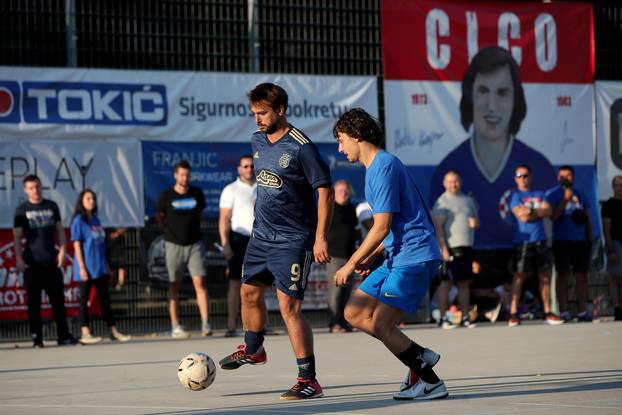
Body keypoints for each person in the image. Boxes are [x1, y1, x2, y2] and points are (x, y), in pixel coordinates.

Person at [218, 83, 333, 400]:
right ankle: (253, 349)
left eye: (263, 113)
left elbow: (325, 190)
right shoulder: (256, 140)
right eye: (253, 113)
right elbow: (268, 185)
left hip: (293, 240)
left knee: (288, 306)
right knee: (249, 292)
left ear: (280, 110)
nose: (257, 119)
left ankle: (308, 379)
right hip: (261, 237)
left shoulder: (301, 147)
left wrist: (320, 236)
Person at [333, 108, 448, 401]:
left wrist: (352, 262)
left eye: (342, 140)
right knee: (354, 312)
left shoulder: (383, 166)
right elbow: (395, 223)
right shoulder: (375, 169)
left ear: (357, 137)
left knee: (382, 323)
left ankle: (431, 381)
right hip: (396, 254)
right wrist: (374, 255)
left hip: (414, 256)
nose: (340, 147)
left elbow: (381, 226)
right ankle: (417, 356)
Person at [429, 46, 556, 293]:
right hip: (465, 252)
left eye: (502, 93)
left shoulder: (540, 166)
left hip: (522, 248)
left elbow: (549, 213)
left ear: (516, 99)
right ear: (469, 97)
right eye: (483, 91)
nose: (491, 106)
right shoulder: (446, 170)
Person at [13, 175, 77, 347]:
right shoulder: (21, 210)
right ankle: (37, 338)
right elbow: (17, 237)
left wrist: (63, 251)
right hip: (32, 264)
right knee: (34, 304)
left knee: (58, 302)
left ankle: (63, 336)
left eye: (37, 186)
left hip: (51, 263)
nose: (35, 190)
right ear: (25, 190)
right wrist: (19, 259)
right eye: (31, 188)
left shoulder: (51, 206)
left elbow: (60, 230)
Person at [156, 160, 211, 338]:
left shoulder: (197, 194)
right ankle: (175, 326)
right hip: (173, 245)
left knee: (200, 283)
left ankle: (205, 324)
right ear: (175, 175)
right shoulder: (166, 196)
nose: (184, 177)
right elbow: (160, 217)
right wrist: (168, 234)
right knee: (174, 285)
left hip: (195, 244)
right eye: (181, 174)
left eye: (187, 174)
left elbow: (200, 215)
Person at [70, 190, 131, 344]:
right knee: (84, 300)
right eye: (88, 198)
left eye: (93, 198)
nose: (91, 201)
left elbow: (101, 244)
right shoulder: (78, 221)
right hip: (86, 268)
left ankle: (113, 331)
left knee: (105, 300)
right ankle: (85, 332)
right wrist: (82, 267)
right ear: (81, 201)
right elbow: (77, 245)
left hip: (99, 268)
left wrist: (107, 266)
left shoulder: (96, 220)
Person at [508, 165, 563, 327]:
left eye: (525, 175)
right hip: (523, 242)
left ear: (530, 177)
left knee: (544, 276)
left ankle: (547, 311)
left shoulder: (540, 194)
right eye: (519, 176)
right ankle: (513, 313)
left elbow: (548, 211)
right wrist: (536, 210)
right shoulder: (515, 195)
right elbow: (521, 216)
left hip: (541, 240)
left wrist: (530, 210)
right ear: (515, 179)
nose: (523, 179)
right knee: (519, 277)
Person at [431, 170, 479, 329]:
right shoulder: (441, 202)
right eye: (450, 181)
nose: (453, 184)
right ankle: (444, 318)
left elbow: (475, 222)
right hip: (450, 248)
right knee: (446, 283)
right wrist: (443, 249)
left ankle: (465, 317)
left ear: (461, 182)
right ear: (445, 183)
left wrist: (475, 224)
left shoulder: (468, 200)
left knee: (464, 283)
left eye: (456, 181)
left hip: (467, 247)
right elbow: (438, 228)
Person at [545, 166, 593, 322]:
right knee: (563, 275)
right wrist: (565, 199)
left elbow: (587, 218)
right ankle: (564, 310)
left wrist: (589, 239)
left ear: (573, 177)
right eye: (562, 175)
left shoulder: (581, 194)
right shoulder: (553, 194)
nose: (565, 178)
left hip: (580, 240)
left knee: (582, 275)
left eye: (568, 175)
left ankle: (582, 311)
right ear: (558, 178)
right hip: (562, 240)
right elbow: (552, 217)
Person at [219, 154, 257, 337]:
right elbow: (224, 219)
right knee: (235, 284)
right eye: (245, 166)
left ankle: (257, 326)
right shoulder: (231, 189)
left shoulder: (263, 187)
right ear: (239, 169)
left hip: (260, 240)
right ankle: (232, 326)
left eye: (251, 166)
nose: (249, 169)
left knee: (258, 284)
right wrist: (225, 244)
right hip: (238, 240)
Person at [325, 179, 359, 333]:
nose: (344, 194)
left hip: (349, 257)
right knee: (335, 291)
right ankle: (334, 322)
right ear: (334, 193)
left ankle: (344, 321)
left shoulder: (352, 209)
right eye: (340, 191)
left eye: (346, 191)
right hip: (334, 255)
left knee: (347, 290)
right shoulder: (328, 208)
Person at [602, 175, 622, 320]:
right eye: (617, 185)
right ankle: (617, 308)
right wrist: (610, 250)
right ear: (613, 187)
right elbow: (606, 229)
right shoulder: (608, 205)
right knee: (614, 278)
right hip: (616, 242)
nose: (619, 188)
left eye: (621, 185)